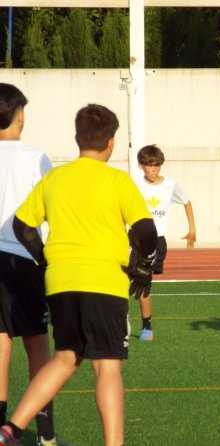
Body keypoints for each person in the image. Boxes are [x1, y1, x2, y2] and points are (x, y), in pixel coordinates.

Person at [0, 104, 157, 446]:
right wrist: (143, 265)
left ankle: (10, 430)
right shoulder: (118, 180)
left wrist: (45, 261)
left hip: (61, 283)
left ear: (77, 137)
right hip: (104, 282)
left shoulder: (55, 177)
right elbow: (146, 232)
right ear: (111, 142)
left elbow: (22, 226)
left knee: (66, 358)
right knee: (107, 366)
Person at [0, 83, 68, 446]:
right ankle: (45, 434)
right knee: (38, 346)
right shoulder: (35, 157)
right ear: (20, 116)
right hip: (23, 259)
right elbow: (50, 212)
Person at [132, 144, 196, 341]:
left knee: (143, 282)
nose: (154, 170)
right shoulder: (133, 184)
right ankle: (119, 320)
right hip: (133, 238)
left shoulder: (171, 185)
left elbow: (186, 201)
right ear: (140, 166)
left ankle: (146, 328)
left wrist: (192, 229)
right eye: (150, 166)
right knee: (122, 278)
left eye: (157, 165)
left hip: (155, 241)